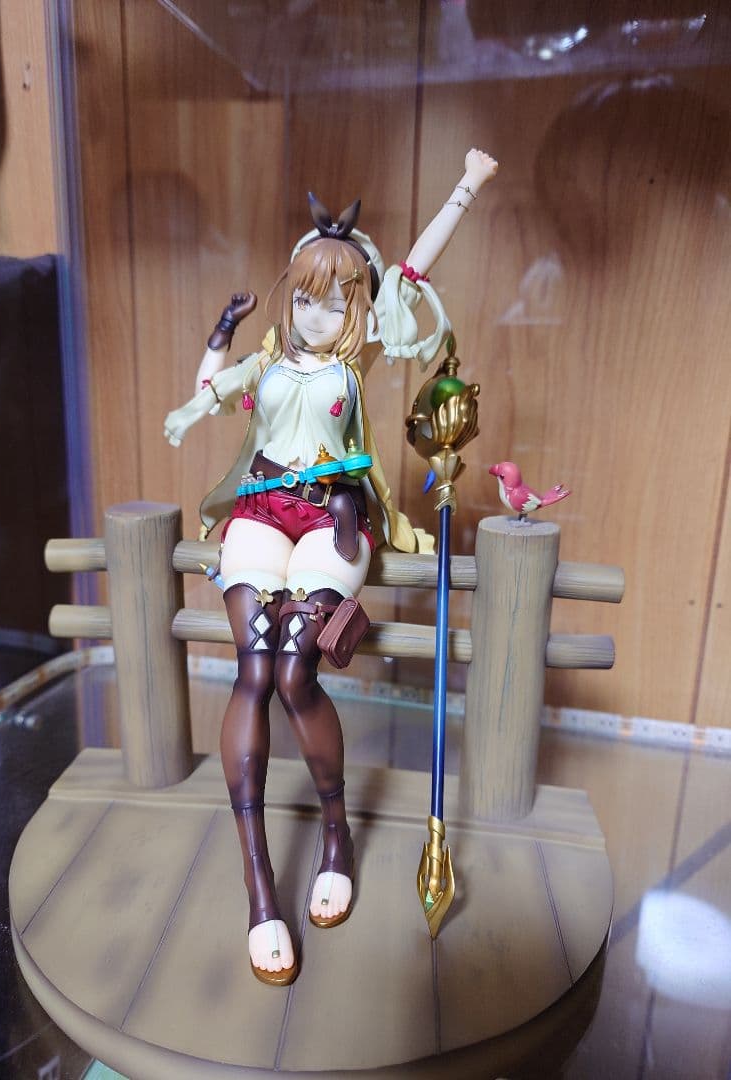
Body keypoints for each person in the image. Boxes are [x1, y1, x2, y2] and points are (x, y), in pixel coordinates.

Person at [164, 148, 498, 985]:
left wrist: (466, 184)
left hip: (332, 515)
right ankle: (259, 889)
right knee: (252, 670)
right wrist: (220, 336)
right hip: (259, 510)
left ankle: (337, 833)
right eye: (306, 296)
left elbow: (414, 267)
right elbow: (209, 390)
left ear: (356, 304)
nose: (316, 312)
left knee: (294, 670)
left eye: (335, 298)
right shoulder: (269, 361)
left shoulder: (357, 361)